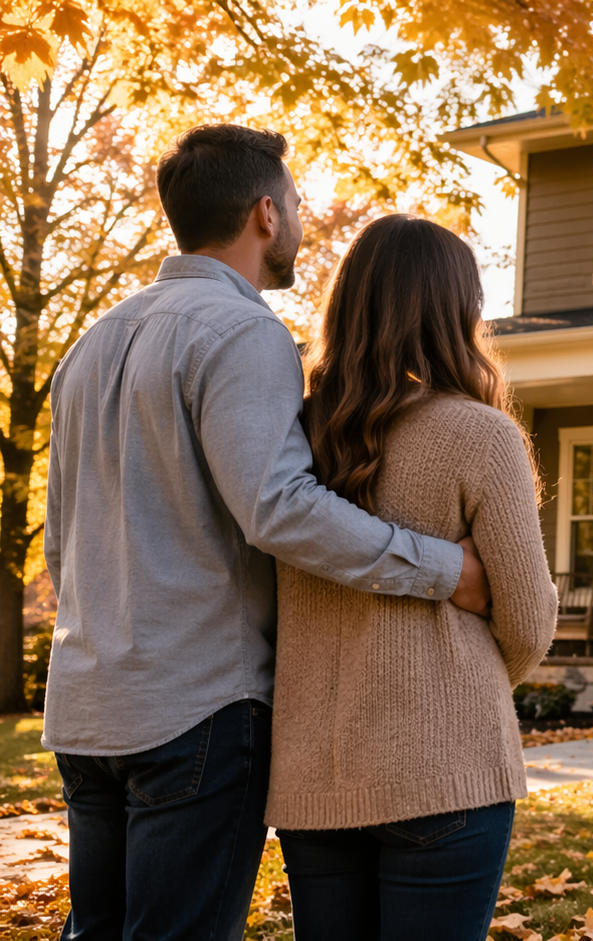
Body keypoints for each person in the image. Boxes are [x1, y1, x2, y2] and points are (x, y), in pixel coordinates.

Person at [42, 125, 493, 939]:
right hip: (197, 711)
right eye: (293, 202)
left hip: (86, 707)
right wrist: (441, 567)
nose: (299, 217)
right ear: (264, 214)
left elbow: (59, 542)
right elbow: (280, 507)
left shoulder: (91, 342)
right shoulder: (243, 332)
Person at [265, 214, 555, 939]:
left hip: (313, 779)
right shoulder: (483, 435)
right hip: (445, 767)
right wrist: (466, 677)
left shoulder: (285, 440)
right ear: (456, 309)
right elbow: (527, 623)